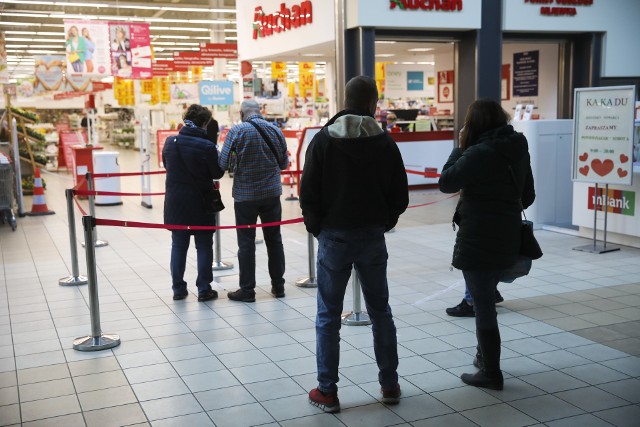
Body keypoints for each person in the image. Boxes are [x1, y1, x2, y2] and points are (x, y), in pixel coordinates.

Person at [299, 75, 409, 413]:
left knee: (328, 316)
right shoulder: (385, 143)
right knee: (381, 312)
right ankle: (389, 385)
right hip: (372, 237)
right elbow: (400, 195)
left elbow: (308, 193)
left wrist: (319, 229)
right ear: (373, 103)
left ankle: (328, 392)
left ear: (343, 101)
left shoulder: (322, 141)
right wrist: (383, 222)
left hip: (334, 237)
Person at [438, 98, 535, 390]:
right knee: (485, 300)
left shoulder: (478, 152)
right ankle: (483, 356)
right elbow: (527, 196)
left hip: (479, 237)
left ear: (474, 124)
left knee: (482, 306)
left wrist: (458, 146)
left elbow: (447, 182)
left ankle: (491, 372)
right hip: (507, 234)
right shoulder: (517, 148)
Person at [218, 99, 288, 302]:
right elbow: (283, 164)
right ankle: (278, 286)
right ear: (260, 111)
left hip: (245, 197)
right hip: (271, 195)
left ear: (241, 113)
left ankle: (247, 290)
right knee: (274, 240)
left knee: (246, 243)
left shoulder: (236, 132)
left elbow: (222, 163)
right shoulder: (276, 131)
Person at [162, 104, 225, 302]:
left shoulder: (170, 142)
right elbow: (217, 173)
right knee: (204, 245)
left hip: (176, 201)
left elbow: (167, 165)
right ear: (205, 124)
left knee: (178, 245)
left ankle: (178, 289)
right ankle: (204, 289)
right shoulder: (207, 146)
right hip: (201, 201)